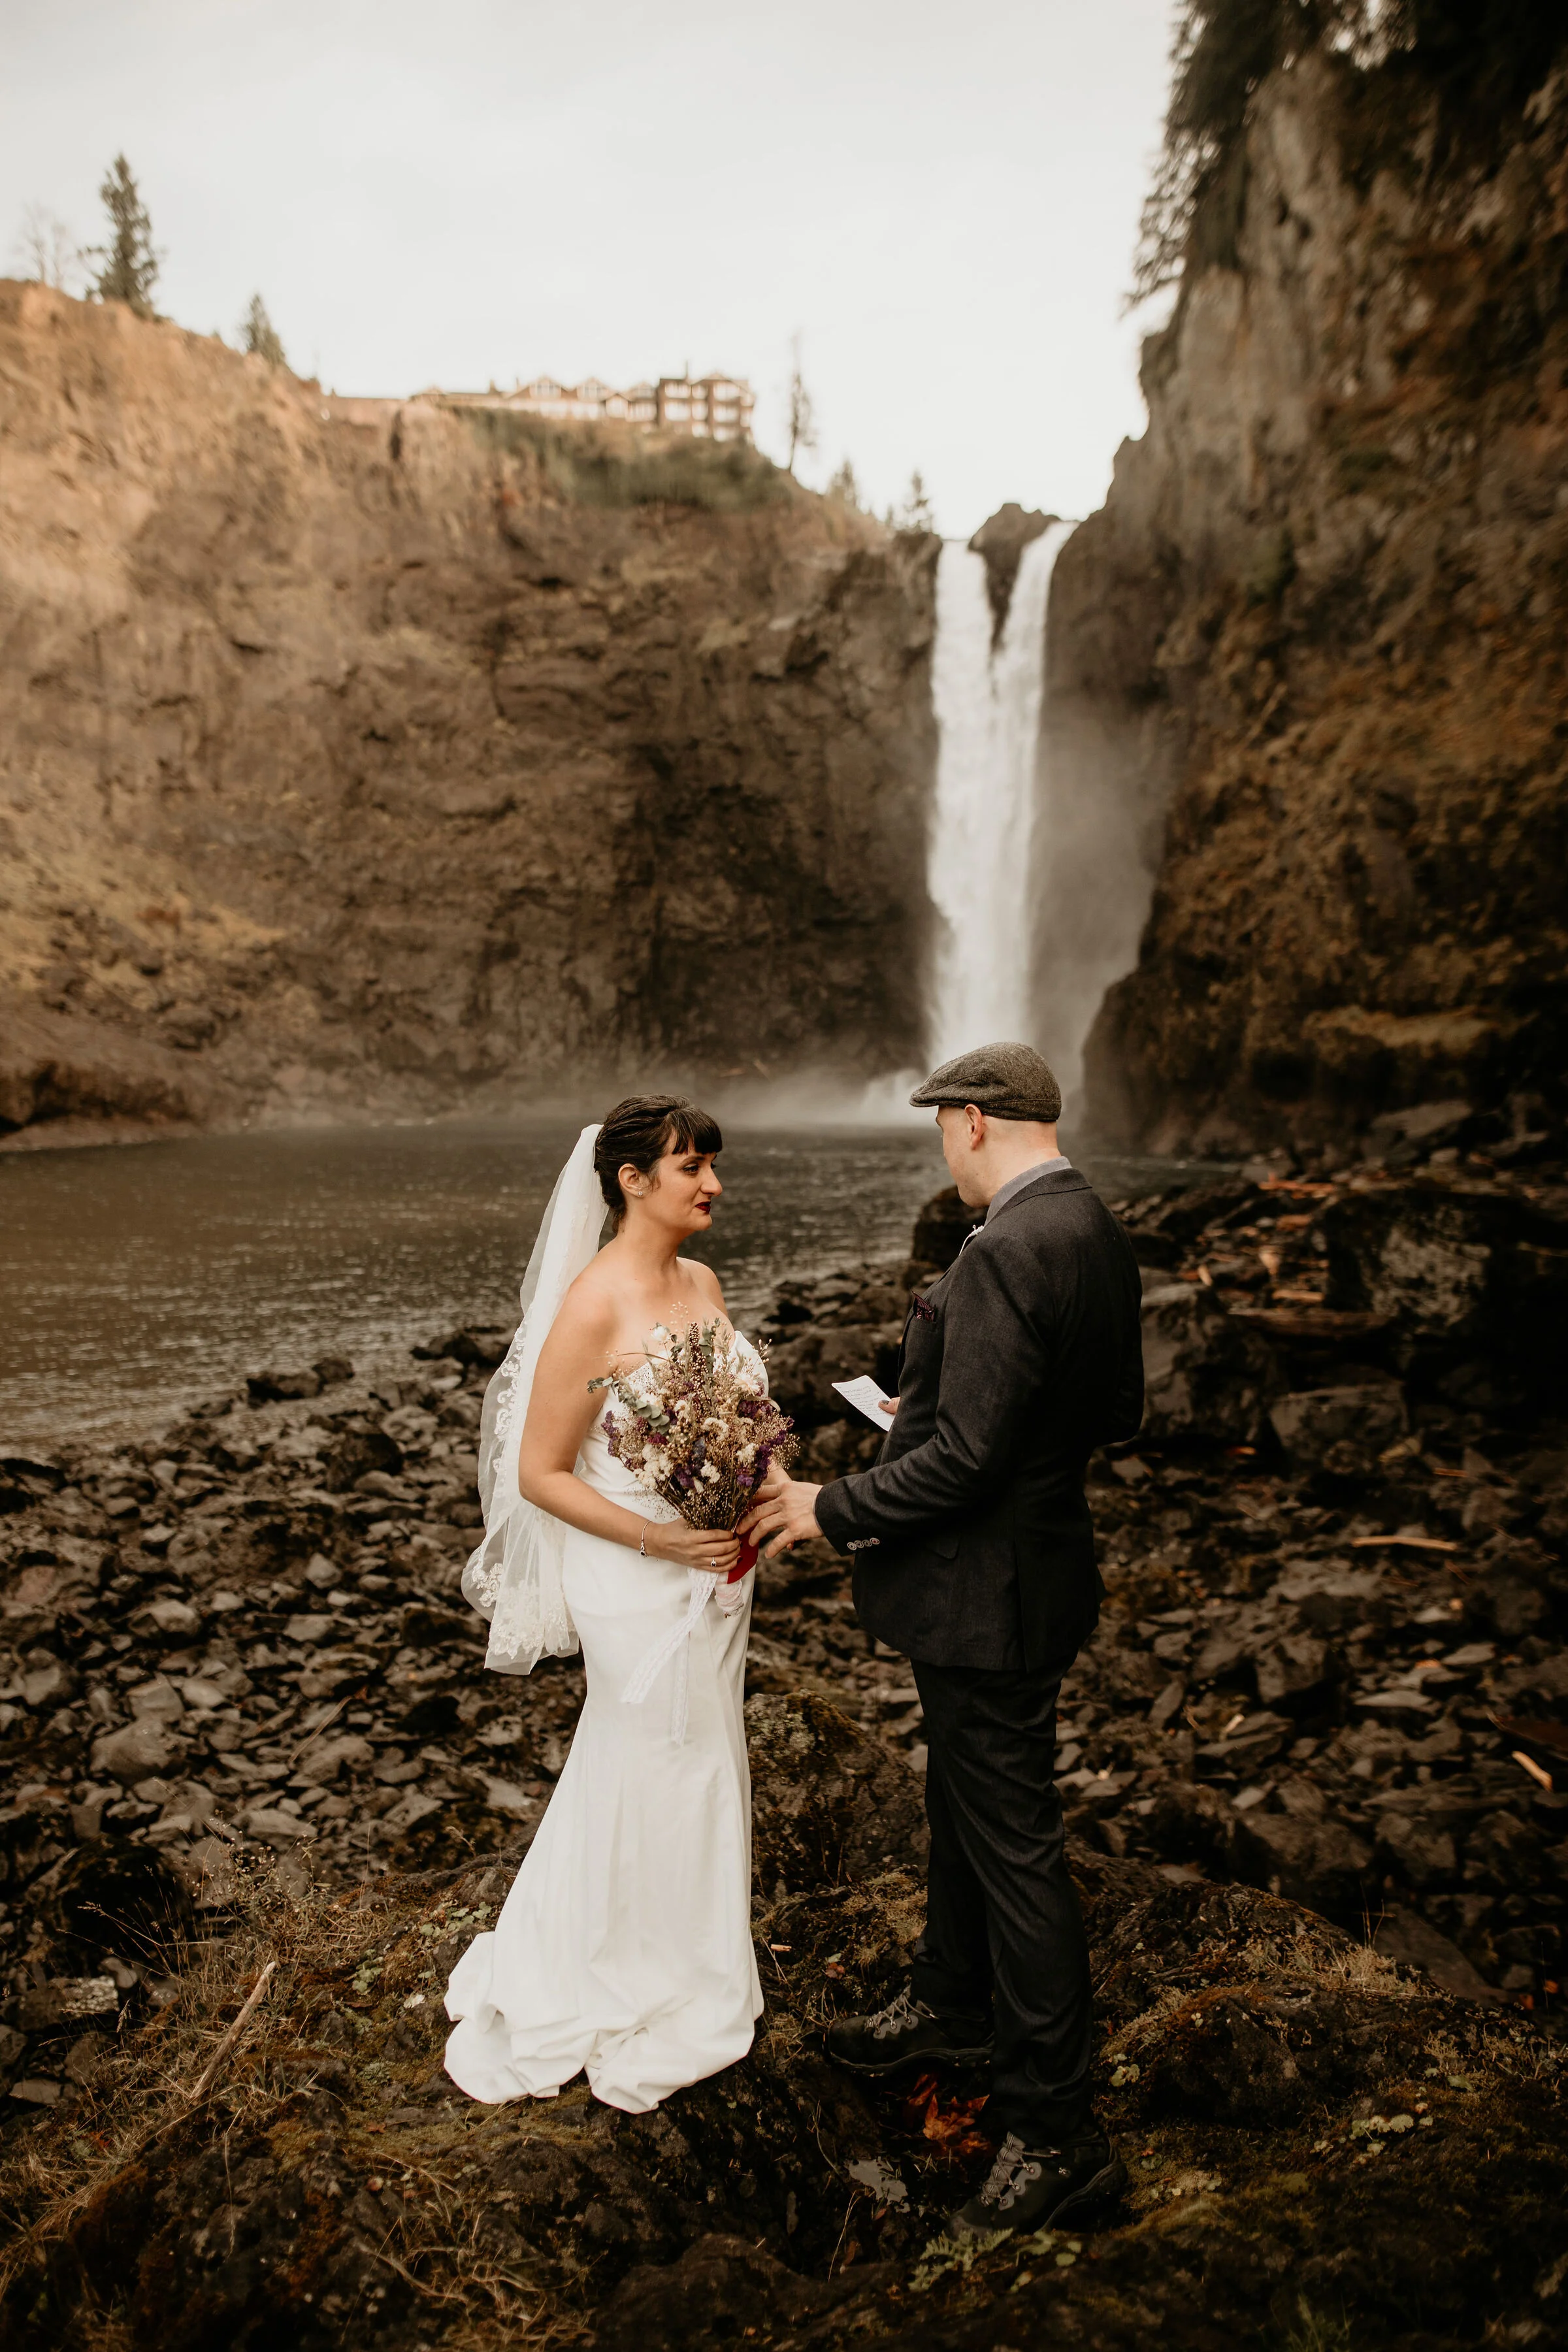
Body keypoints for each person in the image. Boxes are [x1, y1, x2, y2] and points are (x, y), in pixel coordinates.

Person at [741, 1041, 1144, 2239]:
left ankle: (1058, 2130)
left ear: (971, 1121)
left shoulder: (1013, 1245)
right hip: (1041, 1570)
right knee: (967, 1801)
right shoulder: (1092, 1227)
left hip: (986, 1596)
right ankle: (950, 1997)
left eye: (940, 1131)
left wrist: (828, 1508)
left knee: (1014, 1839)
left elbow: (966, 1462)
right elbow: (1108, 1413)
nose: (945, 1154)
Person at [443, 1098, 763, 2114]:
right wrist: (664, 1535)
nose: (710, 1184)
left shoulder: (704, 1281)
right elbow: (540, 1472)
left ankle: (681, 1954)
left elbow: (730, 1419)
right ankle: (616, 1969)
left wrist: (740, 1496)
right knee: (655, 1752)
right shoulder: (591, 1304)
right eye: (690, 1168)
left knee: (706, 1752)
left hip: (715, 1563)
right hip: (634, 1569)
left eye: (712, 1165)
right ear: (631, 1181)